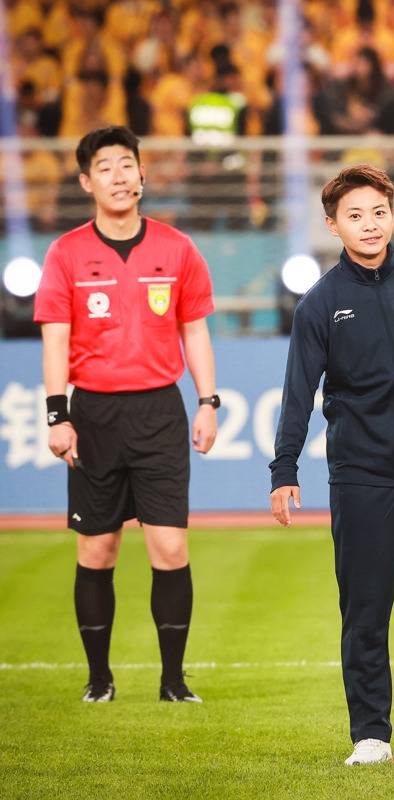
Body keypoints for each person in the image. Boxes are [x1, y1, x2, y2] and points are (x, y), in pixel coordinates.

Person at [268, 165, 394, 766]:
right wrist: (284, 469)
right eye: (355, 215)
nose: (371, 224)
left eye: (379, 212)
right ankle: (371, 735)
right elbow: (298, 392)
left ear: (393, 215)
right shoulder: (322, 303)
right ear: (333, 226)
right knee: (365, 608)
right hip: (361, 475)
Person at [32, 125, 218, 704]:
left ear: (142, 174)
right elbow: (55, 340)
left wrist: (208, 401)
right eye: (105, 167)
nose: (118, 176)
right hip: (93, 415)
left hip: (160, 411)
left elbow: (194, 330)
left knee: (171, 549)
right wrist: (57, 415)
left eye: (126, 164)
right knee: (97, 551)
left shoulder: (177, 248)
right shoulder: (65, 253)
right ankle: (99, 679)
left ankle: (173, 682)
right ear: (86, 182)